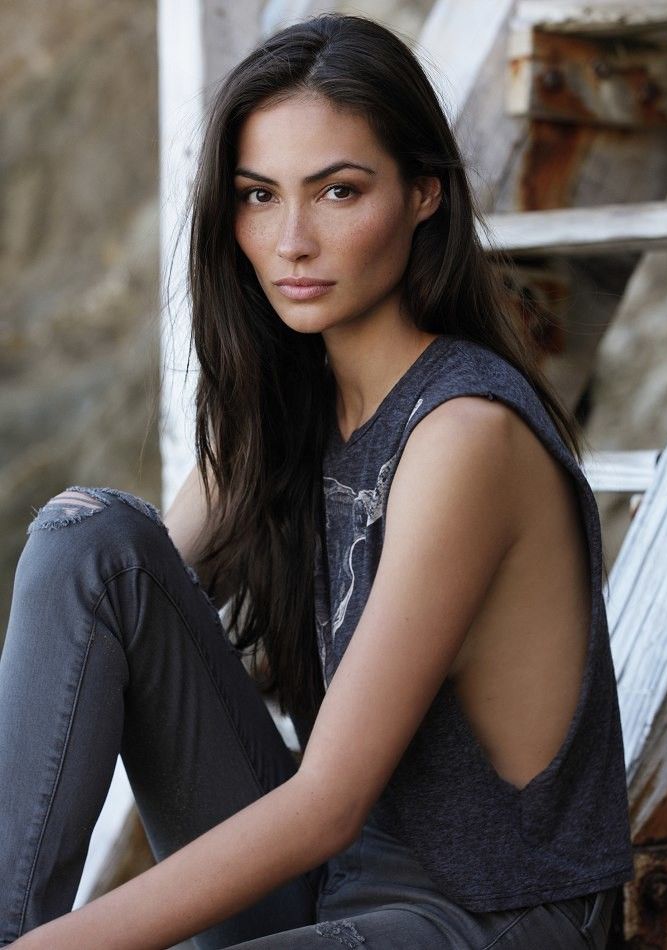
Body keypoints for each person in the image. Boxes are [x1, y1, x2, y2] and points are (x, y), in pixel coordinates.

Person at [0, 13, 634, 949]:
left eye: (338, 191)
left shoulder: (465, 435)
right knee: (86, 537)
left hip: (480, 920)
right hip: (337, 884)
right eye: (258, 196)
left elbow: (327, 803)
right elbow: (113, 611)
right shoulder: (292, 403)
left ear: (424, 194)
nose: (291, 240)